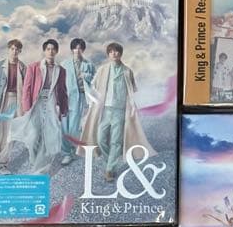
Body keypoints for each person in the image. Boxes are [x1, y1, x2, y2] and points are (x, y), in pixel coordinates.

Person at [82, 42, 153, 181]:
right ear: (108, 54)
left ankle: (110, 169)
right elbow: (94, 86)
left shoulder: (127, 71)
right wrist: (92, 100)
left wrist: (132, 108)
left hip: (120, 110)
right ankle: (111, 160)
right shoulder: (103, 70)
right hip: (105, 109)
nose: (114, 54)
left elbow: (131, 92)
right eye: (111, 52)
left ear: (120, 53)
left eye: (116, 51)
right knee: (101, 138)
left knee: (116, 141)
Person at [10, 39, 68, 173]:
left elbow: (62, 91)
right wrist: (26, 108)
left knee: (49, 135)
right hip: (37, 103)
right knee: (34, 135)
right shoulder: (34, 67)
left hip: (52, 102)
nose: (51, 51)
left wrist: (63, 109)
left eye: (53, 49)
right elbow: (26, 88)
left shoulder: (61, 70)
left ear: (57, 51)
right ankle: (35, 160)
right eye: (48, 49)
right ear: (44, 51)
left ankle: (40, 168)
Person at [0, 39, 26, 170]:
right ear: (8, 50)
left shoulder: (23, 67)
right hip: (0, 100)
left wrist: (26, 108)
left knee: (10, 132)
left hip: (15, 101)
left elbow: (26, 90)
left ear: (20, 51)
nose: (14, 52)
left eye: (17, 49)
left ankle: (3, 162)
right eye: (12, 49)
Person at [61, 38, 95, 165]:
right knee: (63, 126)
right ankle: (66, 152)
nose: (78, 50)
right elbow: (59, 83)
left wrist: (87, 77)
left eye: (80, 48)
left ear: (83, 50)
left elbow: (95, 81)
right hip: (65, 97)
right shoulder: (64, 64)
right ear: (72, 49)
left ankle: (71, 150)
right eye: (75, 48)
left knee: (74, 126)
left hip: (80, 97)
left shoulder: (89, 65)